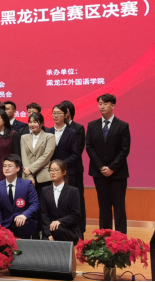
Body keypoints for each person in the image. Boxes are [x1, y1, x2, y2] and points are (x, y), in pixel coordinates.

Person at [86, 94, 130, 234]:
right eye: (100, 103)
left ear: (113, 105)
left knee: (119, 207)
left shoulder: (122, 125)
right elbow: (89, 148)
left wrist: (112, 168)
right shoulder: (92, 125)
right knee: (104, 207)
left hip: (118, 174)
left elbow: (124, 150)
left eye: (105, 103)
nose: (102, 106)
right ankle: (104, 238)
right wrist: (101, 167)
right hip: (99, 173)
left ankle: (121, 238)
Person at [0, 154, 39, 239]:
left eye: (10, 166)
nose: (6, 168)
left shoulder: (27, 185)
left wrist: (24, 215)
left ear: (18, 168)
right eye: (4, 166)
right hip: (6, 224)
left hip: (24, 223)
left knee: (22, 226)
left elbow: (35, 204)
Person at [41, 160, 81, 245]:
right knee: (43, 244)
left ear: (64, 172)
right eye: (51, 170)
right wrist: (49, 234)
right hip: (50, 230)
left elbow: (76, 214)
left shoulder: (73, 191)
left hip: (69, 230)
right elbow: (44, 214)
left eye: (56, 170)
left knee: (57, 230)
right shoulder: (45, 190)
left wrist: (60, 221)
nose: (53, 172)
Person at [61, 100, 87, 234]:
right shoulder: (55, 129)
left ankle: (80, 229)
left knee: (77, 199)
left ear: (69, 112)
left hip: (74, 170)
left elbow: (78, 150)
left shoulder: (78, 128)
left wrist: (62, 165)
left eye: (63, 111)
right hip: (59, 171)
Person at [46, 104, 81, 195]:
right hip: (51, 172)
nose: (56, 115)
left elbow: (75, 154)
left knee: (67, 198)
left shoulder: (72, 132)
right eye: (54, 113)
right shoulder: (48, 132)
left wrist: (61, 165)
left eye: (59, 113)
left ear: (65, 115)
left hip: (67, 171)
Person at [21, 112, 56, 197]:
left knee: (44, 201)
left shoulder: (50, 137)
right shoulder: (24, 137)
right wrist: (29, 175)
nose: (32, 124)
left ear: (42, 123)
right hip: (27, 176)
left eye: (35, 122)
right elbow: (24, 156)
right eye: (30, 122)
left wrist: (30, 169)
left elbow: (46, 156)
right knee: (29, 202)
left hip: (44, 176)